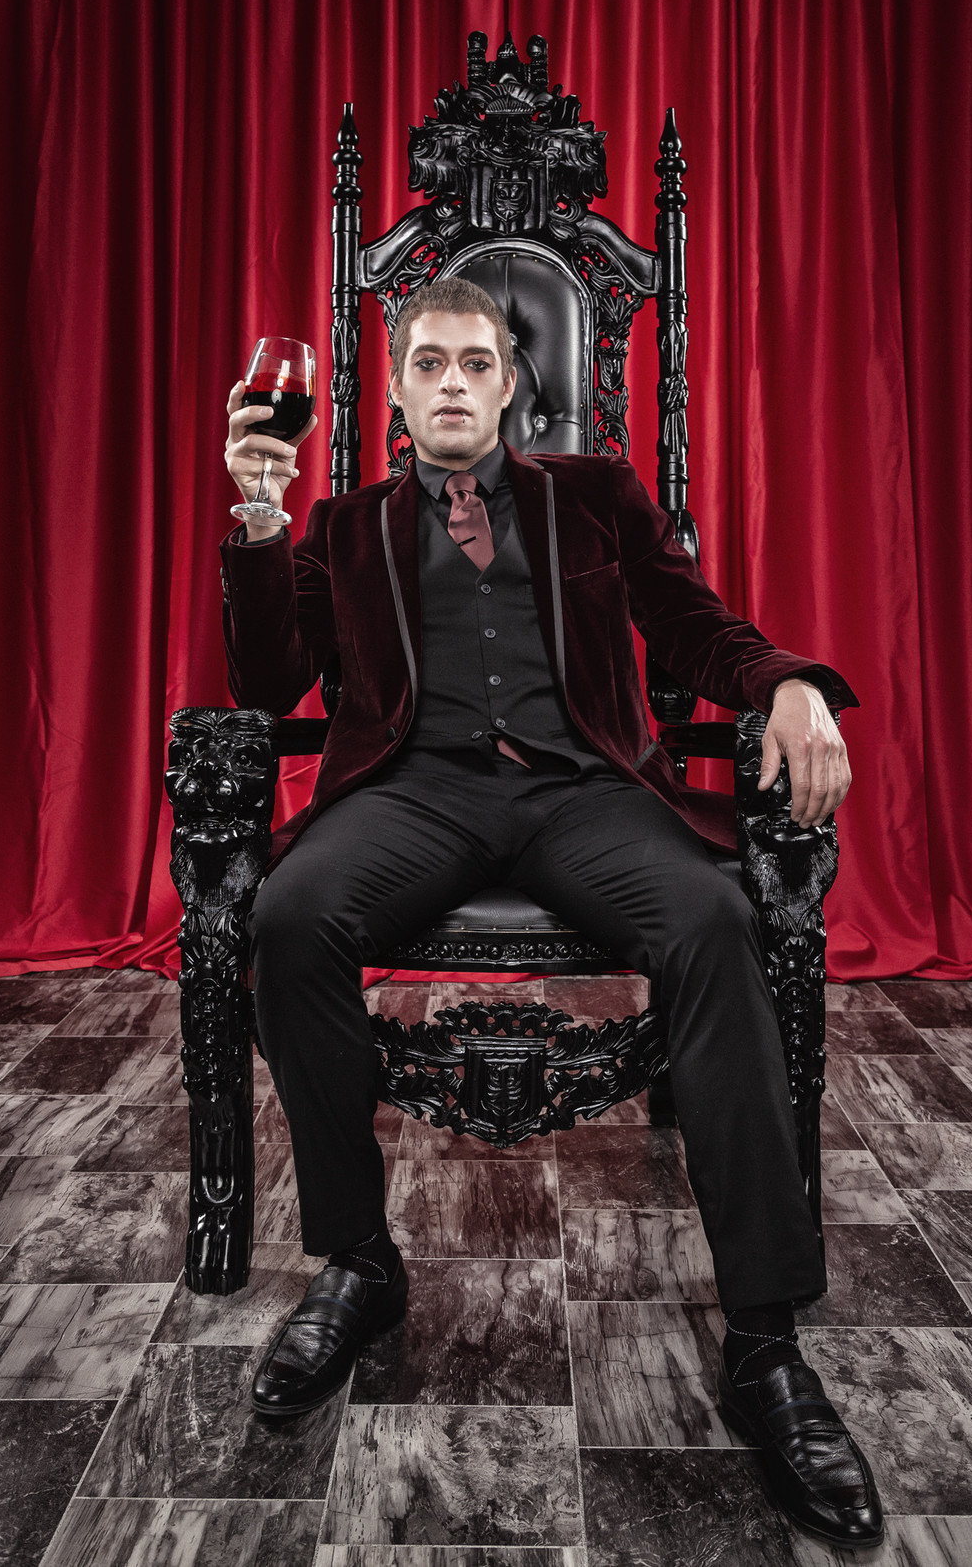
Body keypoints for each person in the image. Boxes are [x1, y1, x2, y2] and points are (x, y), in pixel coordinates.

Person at [221, 278, 882, 1550]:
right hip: (411, 794)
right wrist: (258, 516)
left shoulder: (595, 494)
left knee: (716, 923)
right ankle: (358, 1262)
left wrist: (788, 682)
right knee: (290, 918)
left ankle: (765, 1341)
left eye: (477, 361)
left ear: (512, 383)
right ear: (397, 387)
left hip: (584, 793)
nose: (454, 382)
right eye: (430, 362)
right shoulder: (345, 526)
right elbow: (264, 681)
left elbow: (687, 623)